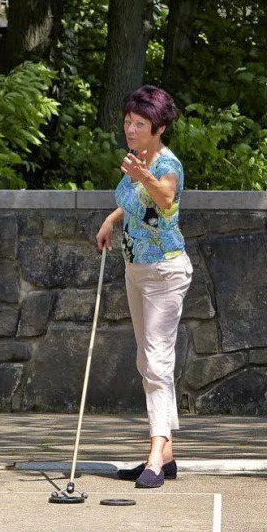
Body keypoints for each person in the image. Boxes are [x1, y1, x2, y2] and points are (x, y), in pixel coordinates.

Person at [95, 86, 191, 489]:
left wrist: (146, 175)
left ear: (160, 128)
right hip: (137, 270)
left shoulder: (166, 164)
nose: (130, 130)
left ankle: (156, 453)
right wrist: (112, 219)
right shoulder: (141, 160)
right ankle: (165, 456)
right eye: (128, 122)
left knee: (156, 362)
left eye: (140, 125)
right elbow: (137, 200)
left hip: (165, 273)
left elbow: (165, 199)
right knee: (147, 362)